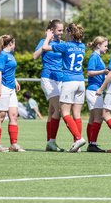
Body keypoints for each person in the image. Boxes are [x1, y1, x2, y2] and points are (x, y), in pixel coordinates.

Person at [42, 23, 86, 152]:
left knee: (65, 112)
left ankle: (78, 139)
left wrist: (48, 36)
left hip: (69, 81)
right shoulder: (82, 46)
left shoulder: (65, 45)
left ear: (69, 33)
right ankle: (76, 145)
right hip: (81, 82)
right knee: (76, 114)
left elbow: (45, 47)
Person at [33, 19, 64, 152]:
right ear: (52, 31)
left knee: (52, 111)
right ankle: (52, 141)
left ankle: (49, 143)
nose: (62, 33)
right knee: (59, 110)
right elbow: (35, 56)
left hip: (60, 79)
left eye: (63, 30)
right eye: (59, 30)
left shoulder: (62, 44)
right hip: (48, 78)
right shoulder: (44, 42)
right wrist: (46, 39)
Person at [0, 35, 25, 152]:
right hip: (3, 88)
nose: (15, 46)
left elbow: (9, 71)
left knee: (14, 115)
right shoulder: (2, 56)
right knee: (0, 116)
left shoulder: (10, 55)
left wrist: (15, 81)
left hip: (11, 89)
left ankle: (14, 144)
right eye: (14, 43)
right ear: (10, 43)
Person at [85, 36, 109, 152]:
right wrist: (104, 71)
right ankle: (92, 144)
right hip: (94, 90)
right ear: (98, 45)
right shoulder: (94, 56)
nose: (107, 48)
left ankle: (91, 144)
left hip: (94, 89)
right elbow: (89, 72)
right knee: (98, 118)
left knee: (92, 118)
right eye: (105, 46)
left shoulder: (98, 57)